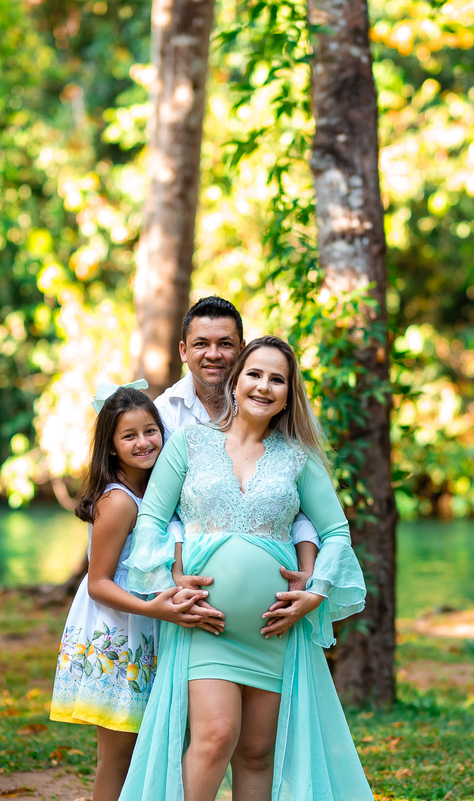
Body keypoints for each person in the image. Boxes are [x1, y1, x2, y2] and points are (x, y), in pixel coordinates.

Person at [120, 337, 373, 801]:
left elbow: (337, 531)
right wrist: (168, 584)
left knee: (257, 753)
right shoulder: (190, 444)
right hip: (204, 624)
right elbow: (152, 519)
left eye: (278, 379)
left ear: (288, 395)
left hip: (274, 632)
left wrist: (315, 593)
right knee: (215, 738)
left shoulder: (298, 458)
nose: (264, 386)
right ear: (235, 381)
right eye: (255, 374)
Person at [50, 382, 224, 801]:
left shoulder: (155, 490)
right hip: (120, 630)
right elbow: (98, 584)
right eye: (129, 436)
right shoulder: (119, 501)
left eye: (150, 431)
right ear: (111, 447)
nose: (144, 443)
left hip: (150, 625)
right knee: (118, 754)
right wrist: (156, 610)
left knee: (150, 748)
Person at [154, 297, 321, 617]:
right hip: (186, 599)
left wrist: (310, 573)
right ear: (183, 351)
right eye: (201, 344)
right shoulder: (163, 418)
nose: (213, 354)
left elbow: (294, 504)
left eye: (225, 344)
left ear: (242, 349)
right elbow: (159, 511)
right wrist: (173, 577)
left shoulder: (267, 408)